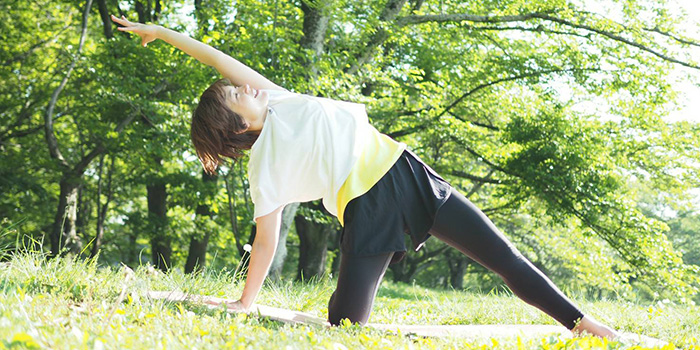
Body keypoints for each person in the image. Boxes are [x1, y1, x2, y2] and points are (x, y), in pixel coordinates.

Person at [110, 15, 620, 339]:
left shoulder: (280, 101)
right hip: (367, 210)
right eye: (240, 94)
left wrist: (164, 34)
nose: (249, 87)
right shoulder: (263, 170)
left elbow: (217, 56)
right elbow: (265, 241)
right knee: (347, 325)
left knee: (501, 254)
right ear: (240, 123)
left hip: (407, 173)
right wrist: (246, 302)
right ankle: (330, 314)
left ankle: (581, 322)